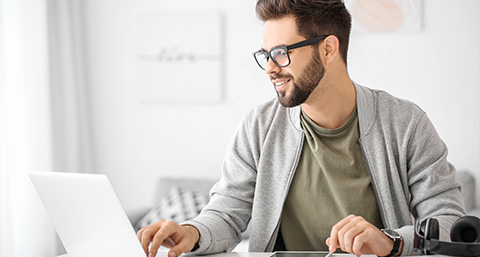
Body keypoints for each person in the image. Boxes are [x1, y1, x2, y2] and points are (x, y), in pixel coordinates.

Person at [137, 0, 466, 256]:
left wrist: (391, 243)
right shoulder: (259, 126)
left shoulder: (405, 123)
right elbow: (226, 214)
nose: (269, 69)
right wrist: (192, 233)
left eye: (280, 53)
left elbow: (451, 225)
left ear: (327, 49)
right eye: (265, 54)